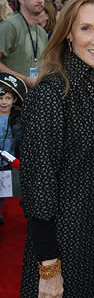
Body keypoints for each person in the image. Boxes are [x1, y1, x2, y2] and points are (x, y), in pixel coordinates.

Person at [18, 0, 94, 298]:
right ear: (67, 35)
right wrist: (49, 270)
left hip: (93, 244)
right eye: (86, 28)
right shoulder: (51, 96)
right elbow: (38, 190)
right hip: (60, 249)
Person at [0, 0, 48, 88]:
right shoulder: (10, 26)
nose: (40, 0)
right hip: (10, 97)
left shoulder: (41, 31)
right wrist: (24, 79)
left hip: (35, 95)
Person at [0, 73, 26, 226]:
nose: (4, 102)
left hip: (8, 160)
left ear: (14, 99)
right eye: (1, 98)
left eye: (8, 98)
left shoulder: (18, 118)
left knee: (3, 189)